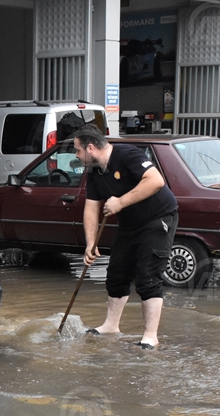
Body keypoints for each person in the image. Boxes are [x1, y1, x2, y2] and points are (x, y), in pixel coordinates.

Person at [73, 126, 178, 349]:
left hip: (157, 218)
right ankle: (111, 326)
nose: (76, 155)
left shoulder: (127, 155)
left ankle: (150, 336)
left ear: (90, 148)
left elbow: (155, 180)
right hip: (129, 223)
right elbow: (91, 207)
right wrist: (91, 243)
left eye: (78, 150)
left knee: (147, 276)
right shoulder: (93, 171)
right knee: (116, 273)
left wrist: (120, 202)